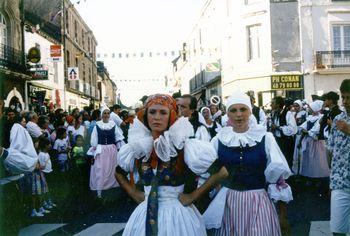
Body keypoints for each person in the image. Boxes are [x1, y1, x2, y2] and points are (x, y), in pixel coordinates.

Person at [115, 94, 224, 236]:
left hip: (178, 216)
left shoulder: (184, 146)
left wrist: (192, 196)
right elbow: (118, 172)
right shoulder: (139, 147)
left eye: (163, 112)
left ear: (172, 116)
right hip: (144, 214)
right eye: (152, 112)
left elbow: (221, 172)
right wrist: (133, 193)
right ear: (145, 115)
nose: (157, 117)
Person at [204, 91, 292, 236]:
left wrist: (282, 215)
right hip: (229, 204)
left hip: (258, 202)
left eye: (243, 109)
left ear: (250, 111)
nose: (239, 114)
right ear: (228, 113)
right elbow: (210, 173)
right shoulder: (218, 140)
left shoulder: (265, 138)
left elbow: (279, 179)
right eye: (233, 110)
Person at [327, 79, 350, 236]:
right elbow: (330, 149)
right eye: (344, 98)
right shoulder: (337, 120)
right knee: (338, 229)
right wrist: (332, 178)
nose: (346, 102)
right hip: (340, 183)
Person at [89, 106, 125, 198]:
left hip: (112, 150)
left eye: (108, 113)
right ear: (101, 114)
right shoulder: (97, 125)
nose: (106, 115)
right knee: (101, 169)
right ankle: (99, 191)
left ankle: (112, 188)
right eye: (104, 113)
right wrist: (95, 148)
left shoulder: (113, 124)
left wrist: (121, 148)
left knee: (112, 169)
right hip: (101, 150)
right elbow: (94, 140)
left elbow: (118, 137)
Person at [299, 100, 330, 180]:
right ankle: (309, 176)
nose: (308, 108)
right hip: (309, 141)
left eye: (310, 107)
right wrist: (303, 130)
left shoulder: (320, 118)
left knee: (317, 160)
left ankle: (318, 177)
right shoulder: (310, 118)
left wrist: (308, 132)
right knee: (309, 159)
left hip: (316, 142)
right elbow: (303, 126)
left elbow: (317, 130)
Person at [271, 97, 297, 168]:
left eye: (273, 103)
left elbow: (293, 129)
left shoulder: (288, 114)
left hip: (286, 142)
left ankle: (288, 177)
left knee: (287, 160)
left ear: (278, 104)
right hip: (277, 140)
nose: (271, 105)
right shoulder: (274, 114)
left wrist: (278, 127)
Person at [37, 137, 56, 211]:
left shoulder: (47, 153)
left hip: (49, 172)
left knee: (49, 188)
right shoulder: (41, 154)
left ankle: (49, 201)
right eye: (49, 144)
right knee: (45, 189)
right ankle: (45, 203)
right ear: (45, 145)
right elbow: (42, 166)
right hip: (44, 173)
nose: (50, 145)